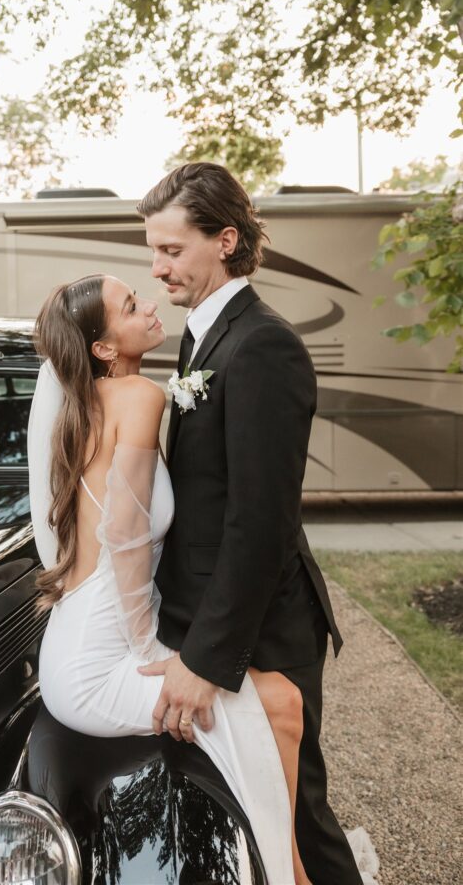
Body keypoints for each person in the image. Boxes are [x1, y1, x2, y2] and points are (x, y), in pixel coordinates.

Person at [28, 272, 309, 885]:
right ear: (104, 349)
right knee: (284, 704)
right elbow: (124, 539)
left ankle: (280, 864)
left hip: (77, 645)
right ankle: (287, 871)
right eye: (130, 305)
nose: (148, 303)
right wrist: (152, 650)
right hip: (101, 660)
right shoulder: (138, 397)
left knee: (276, 705)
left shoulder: (94, 403)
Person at [135, 162, 364, 885]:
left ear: (224, 240)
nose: (157, 266)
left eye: (172, 250)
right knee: (245, 815)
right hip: (209, 614)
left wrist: (207, 659)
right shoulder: (202, 338)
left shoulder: (262, 343)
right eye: (154, 249)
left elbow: (259, 521)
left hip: (263, 626)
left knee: (296, 815)